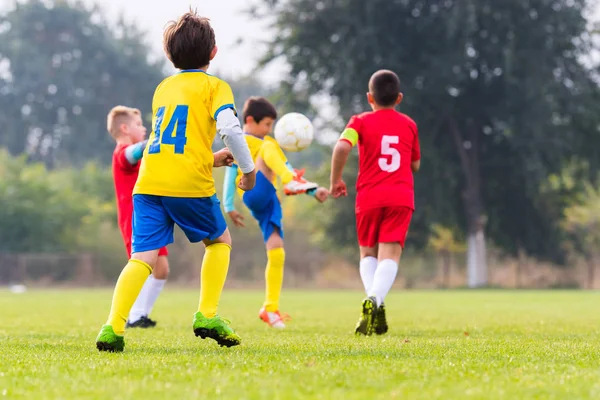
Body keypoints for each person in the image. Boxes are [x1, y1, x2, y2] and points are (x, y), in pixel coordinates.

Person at [95, 10, 256, 352]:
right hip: (188, 186)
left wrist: (212, 159)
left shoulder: (164, 88)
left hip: (149, 184)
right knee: (219, 241)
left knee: (142, 257)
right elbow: (229, 128)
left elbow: (172, 143)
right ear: (213, 52)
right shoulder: (216, 87)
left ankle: (112, 327)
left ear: (170, 56)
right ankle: (207, 315)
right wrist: (248, 169)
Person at [222, 97, 328, 328]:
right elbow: (231, 174)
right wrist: (228, 205)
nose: (269, 129)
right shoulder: (241, 142)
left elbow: (286, 168)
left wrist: (313, 190)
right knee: (270, 145)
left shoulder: (270, 146)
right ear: (250, 120)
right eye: (267, 124)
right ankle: (290, 184)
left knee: (277, 250)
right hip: (253, 190)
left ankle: (270, 308)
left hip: (269, 200)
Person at [329, 69, 421, 336]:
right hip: (400, 196)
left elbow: (342, 147)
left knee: (368, 253)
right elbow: (415, 164)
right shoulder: (409, 124)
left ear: (369, 97)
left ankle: (374, 302)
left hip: (369, 196)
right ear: (399, 98)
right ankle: (375, 301)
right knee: (389, 255)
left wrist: (335, 180)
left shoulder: (359, 121)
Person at [107, 106, 169, 329]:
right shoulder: (122, 152)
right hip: (133, 219)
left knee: (161, 269)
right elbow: (131, 154)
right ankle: (132, 316)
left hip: (151, 218)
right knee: (143, 265)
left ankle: (140, 314)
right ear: (124, 128)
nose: (144, 129)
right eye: (139, 125)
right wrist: (157, 138)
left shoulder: (140, 154)